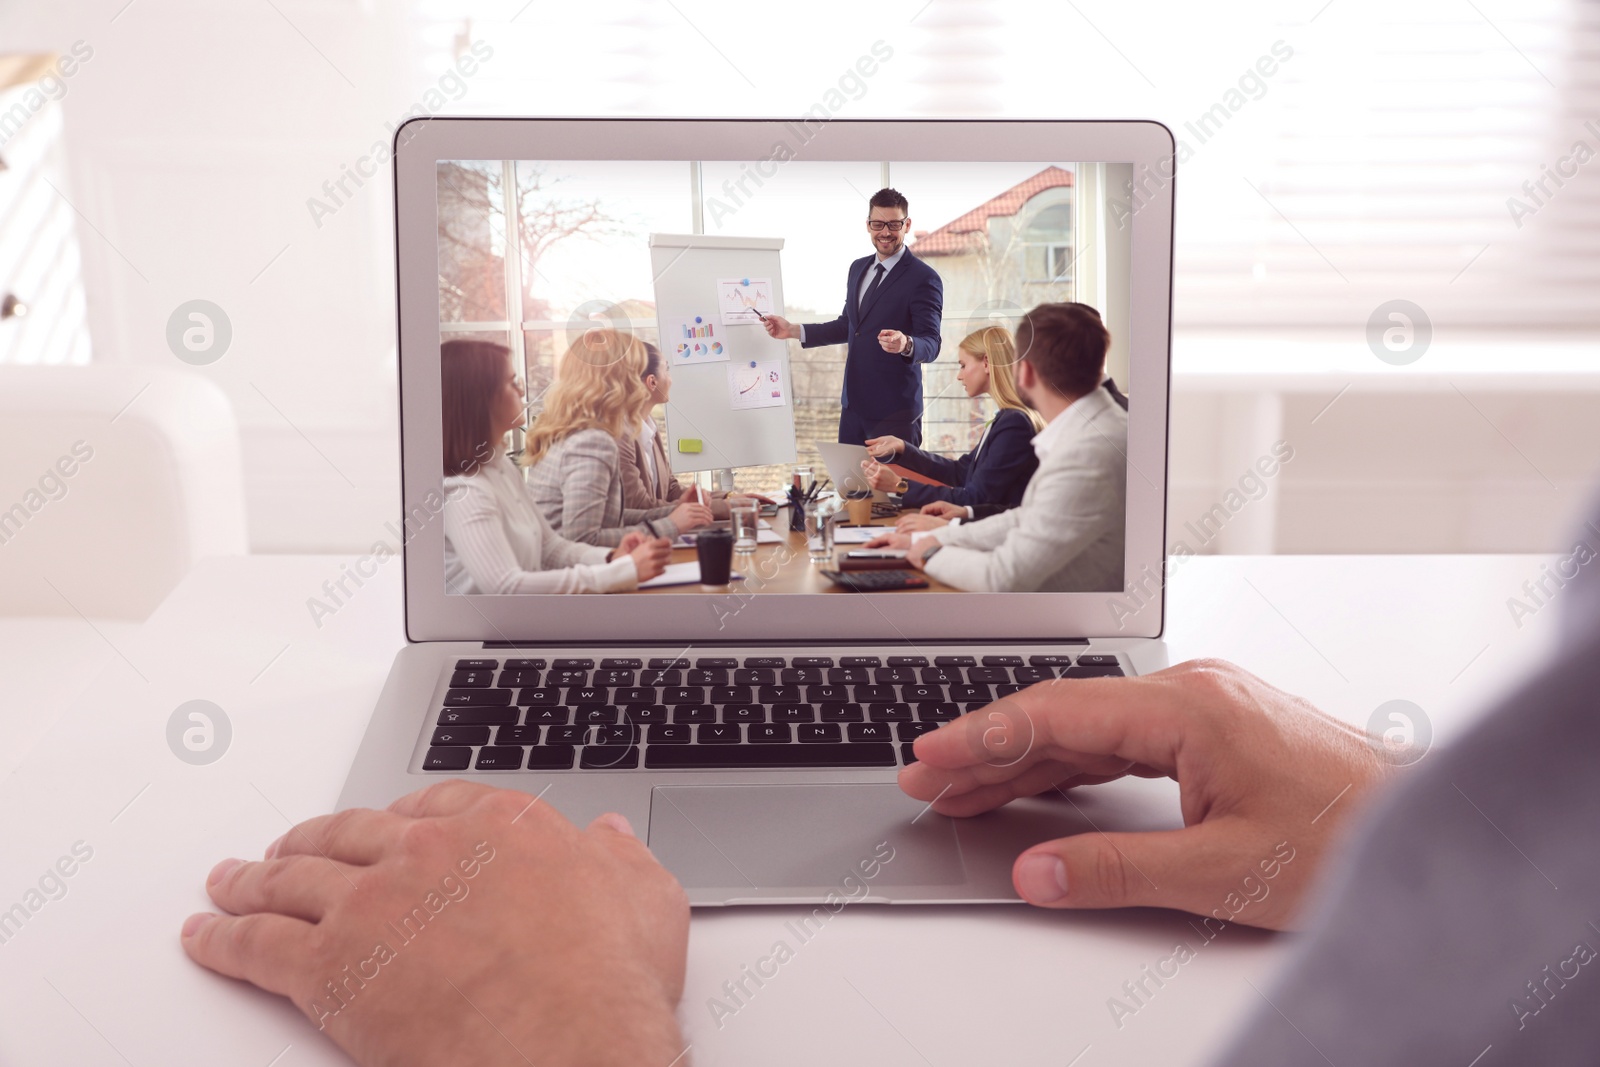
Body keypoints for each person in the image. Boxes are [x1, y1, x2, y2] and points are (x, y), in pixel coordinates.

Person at [864, 302, 1126, 593]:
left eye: (962, 366)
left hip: (1076, 620)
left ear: (1023, 372)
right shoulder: (1099, 427)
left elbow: (1002, 577)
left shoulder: (1083, 455)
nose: (959, 375)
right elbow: (1025, 516)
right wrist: (936, 538)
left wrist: (925, 552)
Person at [438, 339, 672, 594]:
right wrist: (622, 571)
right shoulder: (467, 490)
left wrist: (611, 557)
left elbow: (550, 547)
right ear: (480, 397)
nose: (521, 391)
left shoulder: (501, 467)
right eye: (511, 382)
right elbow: (506, 588)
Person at [759, 187, 944, 447]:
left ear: (907, 224)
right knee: (851, 486)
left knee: (893, 488)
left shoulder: (923, 278)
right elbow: (848, 326)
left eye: (894, 224)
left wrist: (907, 343)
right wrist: (792, 330)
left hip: (896, 415)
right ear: (868, 225)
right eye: (878, 224)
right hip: (853, 409)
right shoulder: (858, 268)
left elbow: (932, 343)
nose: (886, 232)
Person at [524, 328, 713, 547]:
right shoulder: (592, 442)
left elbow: (610, 519)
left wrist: (677, 513)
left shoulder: (568, 429)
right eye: (636, 373)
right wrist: (670, 524)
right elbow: (583, 540)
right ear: (621, 380)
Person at [855, 324, 1042, 515]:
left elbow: (974, 499)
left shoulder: (1014, 424)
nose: (959, 376)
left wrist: (899, 485)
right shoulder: (1006, 418)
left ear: (986, 363)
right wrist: (903, 447)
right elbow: (960, 473)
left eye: (963, 365)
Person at [617, 342, 771, 518]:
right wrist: (726, 508)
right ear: (652, 382)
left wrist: (729, 497)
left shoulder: (649, 427)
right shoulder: (621, 437)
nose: (671, 379)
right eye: (667, 370)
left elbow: (671, 490)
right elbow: (640, 507)